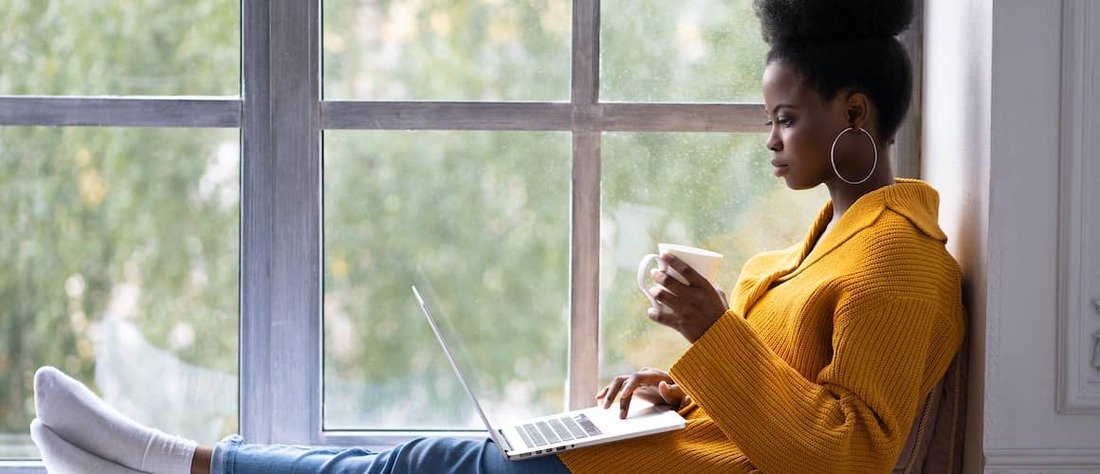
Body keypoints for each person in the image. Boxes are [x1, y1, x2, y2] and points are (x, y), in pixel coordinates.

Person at [29, 0, 966, 472]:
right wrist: (670, 389)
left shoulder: (899, 262)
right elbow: (763, 404)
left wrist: (713, 336)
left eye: (786, 120)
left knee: (418, 464)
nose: (770, 142)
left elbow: (850, 454)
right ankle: (156, 458)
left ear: (854, 112)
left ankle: (160, 459)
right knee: (417, 461)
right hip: (643, 457)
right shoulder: (811, 244)